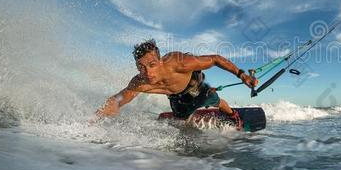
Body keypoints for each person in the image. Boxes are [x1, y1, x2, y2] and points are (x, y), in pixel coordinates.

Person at [95, 39, 258, 126]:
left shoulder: (179, 63)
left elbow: (215, 59)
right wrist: (99, 115)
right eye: (141, 67)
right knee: (181, 118)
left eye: (152, 65)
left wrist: (242, 75)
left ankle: (232, 115)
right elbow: (119, 99)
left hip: (193, 85)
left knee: (213, 100)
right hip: (175, 95)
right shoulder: (140, 82)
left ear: (159, 61)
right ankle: (186, 114)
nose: (148, 73)